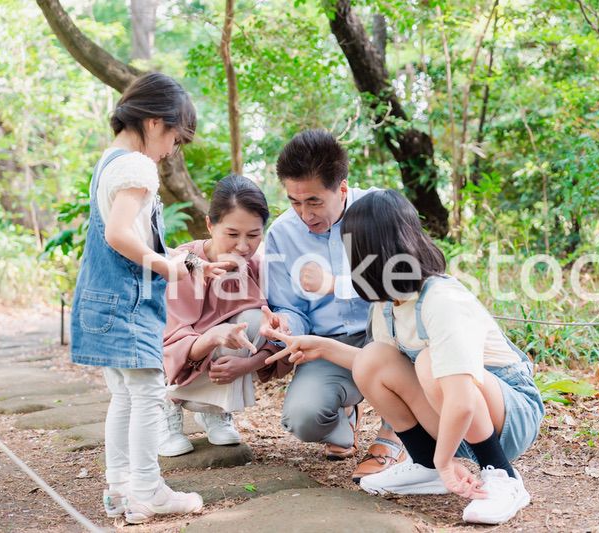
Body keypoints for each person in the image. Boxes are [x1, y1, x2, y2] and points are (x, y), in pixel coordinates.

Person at [263, 189, 545, 525]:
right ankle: (425, 466)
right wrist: (320, 346)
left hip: (509, 416)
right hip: (454, 415)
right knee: (373, 358)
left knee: (428, 363)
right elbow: (385, 370)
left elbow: (462, 398)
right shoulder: (388, 304)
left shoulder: (441, 298)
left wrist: (447, 460)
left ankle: (501, 475)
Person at [70, 73, 228, 524]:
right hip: (128, 302)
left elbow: (133, 236)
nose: (171, 152)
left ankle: (120, 488)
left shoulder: (110, 161)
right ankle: (148, 490)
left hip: (102, 300)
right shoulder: (138, 166)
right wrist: (165, 267)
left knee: (124, 394)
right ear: (156, 122)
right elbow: (122, 236)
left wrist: (190, 262)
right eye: (175, 140)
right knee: (147, 394)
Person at [264, 130, 405, 482]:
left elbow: (408, 281)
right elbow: (291, 307)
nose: (303, 214)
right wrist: (286, 325)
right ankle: (346, 416)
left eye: (313, 201)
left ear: (341, 189)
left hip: (389, 336)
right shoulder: (282, 234)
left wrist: (337, 284)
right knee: (303, 418)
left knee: (408, 330)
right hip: (328, 346)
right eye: (294, 202)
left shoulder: (380, 210)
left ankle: (395, 432)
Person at [159, 174, 291, 456]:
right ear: (210, 224)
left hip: (219, 357)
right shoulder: (185, 263)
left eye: (253, 235)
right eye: (232, 234)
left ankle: (214, 409)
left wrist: (247, 364)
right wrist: (210, 338)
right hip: (177, 363)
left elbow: (280, 335)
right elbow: (167, 345)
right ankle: (166, 407)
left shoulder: (259, 265)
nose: (243, 246)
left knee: (256, 320)